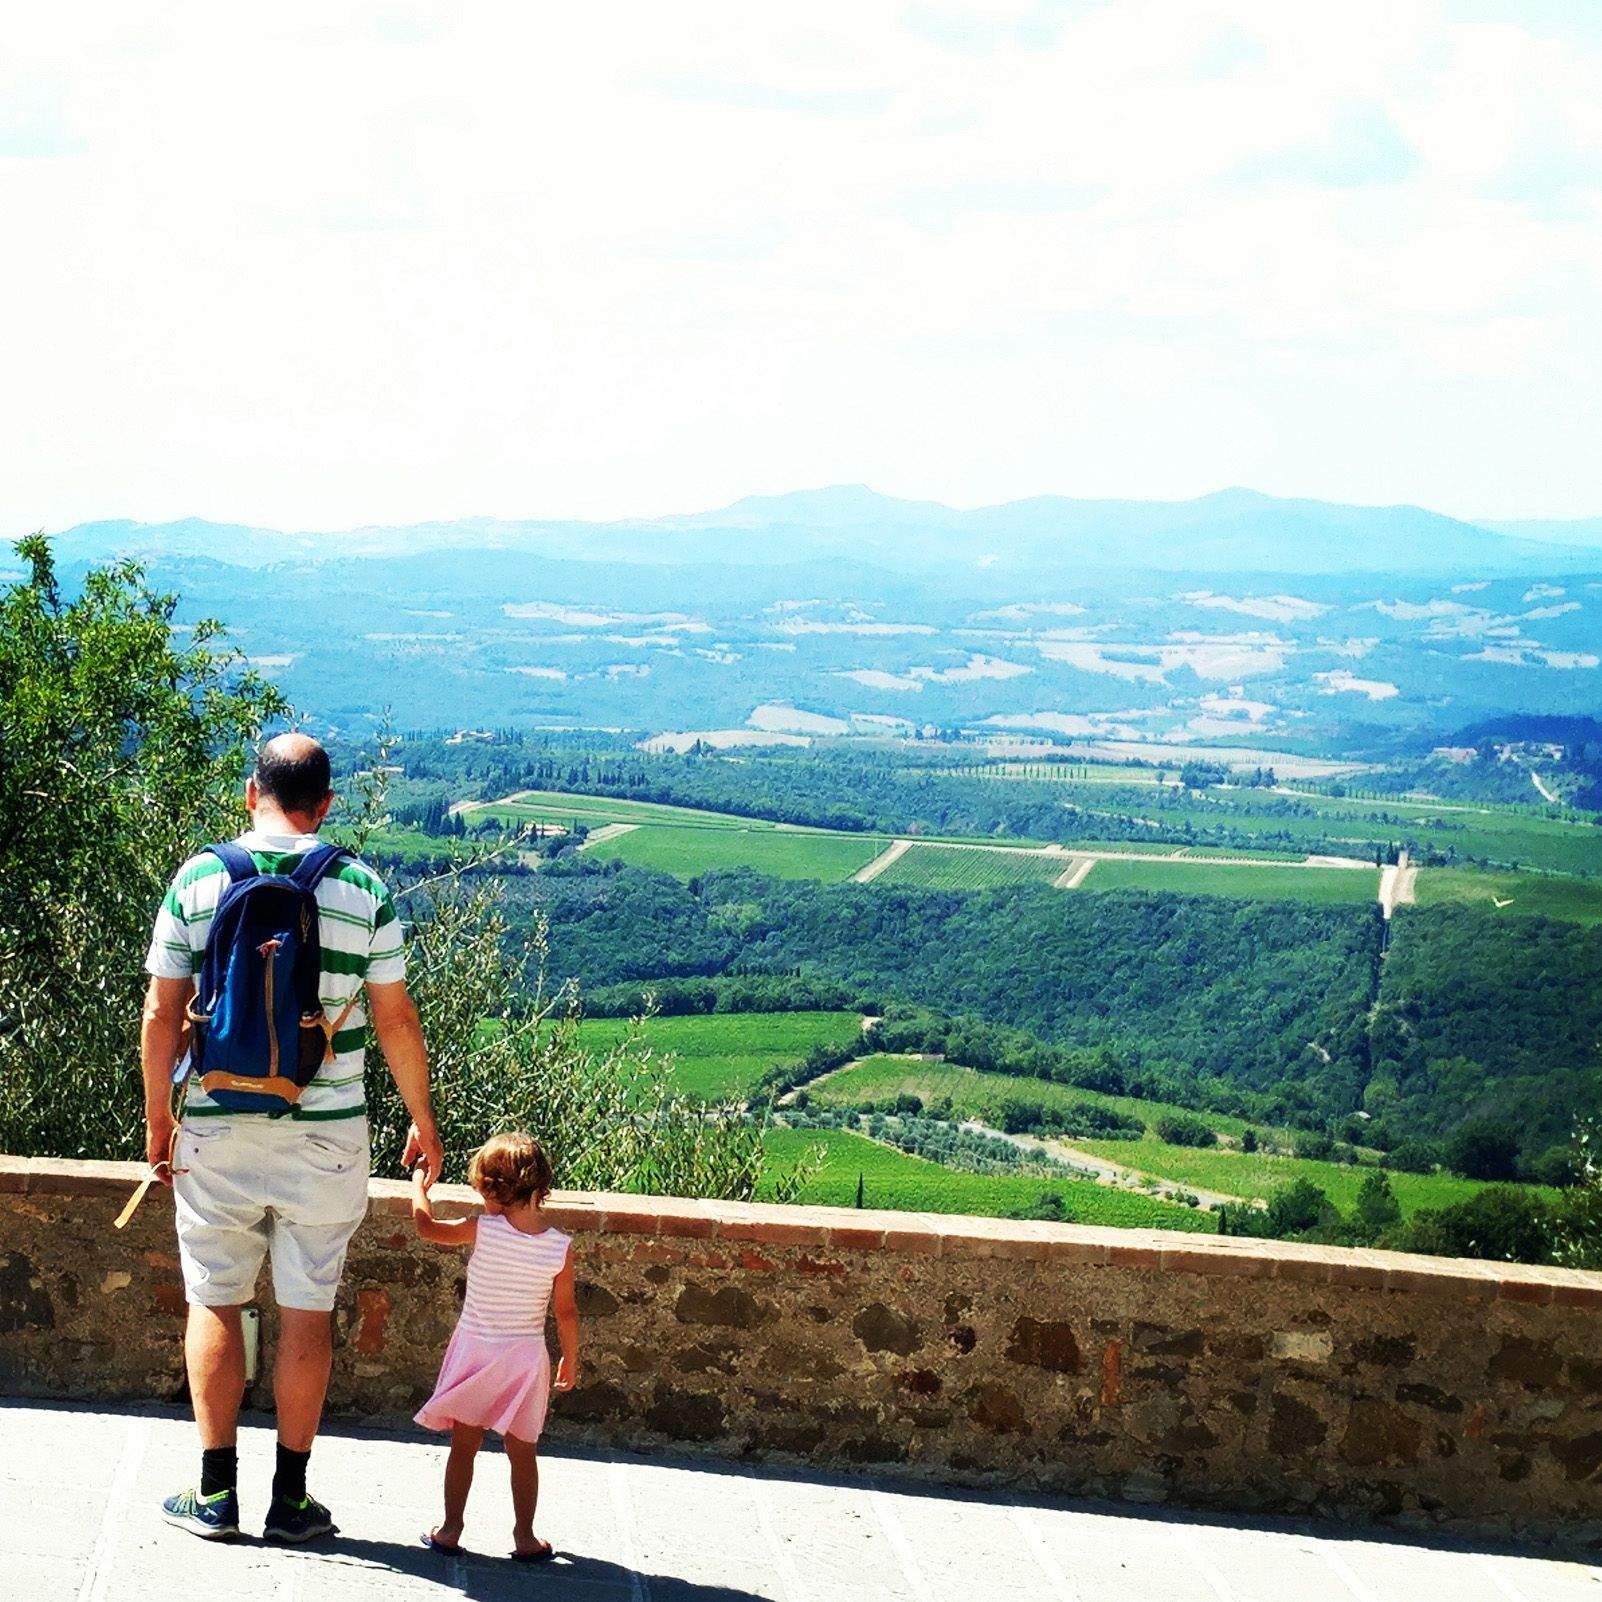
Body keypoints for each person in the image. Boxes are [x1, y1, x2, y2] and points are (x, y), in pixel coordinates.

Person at [141, 732, 444, 1543]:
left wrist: (157, 1124)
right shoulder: (362, 886)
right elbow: (395, 1020)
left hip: (215, 1131)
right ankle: (291, 1499)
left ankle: (214, 1495)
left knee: (216, 1296)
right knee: (306, 1311)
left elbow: (162, 1015)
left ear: (252, 793)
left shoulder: (199, 878)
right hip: (327, 1139)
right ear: (328, 803)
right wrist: (424, 1122)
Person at [411, 1131, 579, 1562]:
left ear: (493, 1190)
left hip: (477, 1352)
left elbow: (425, 1228)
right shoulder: (560, 1247)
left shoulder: (482, 1229)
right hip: (525, 1360)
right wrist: (570, 1360)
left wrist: (418, 1185)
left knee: (464, 1445)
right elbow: (566, 1313)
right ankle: (525, 1536)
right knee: (523, 1451)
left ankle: (450, 1530)